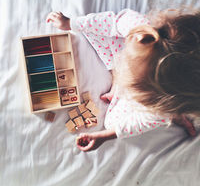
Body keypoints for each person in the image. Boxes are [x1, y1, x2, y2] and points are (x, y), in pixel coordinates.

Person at [46, 8, 199, 151]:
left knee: (111, 124)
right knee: (90, 28)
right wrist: (70, 23)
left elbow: (139, 122)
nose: (123, 64)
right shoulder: (140, 29)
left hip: (160, 100)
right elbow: (110, 22)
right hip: (128, 46)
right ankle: (120, 82)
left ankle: (176, 116)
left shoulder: (160, 109)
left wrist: (103, 136)